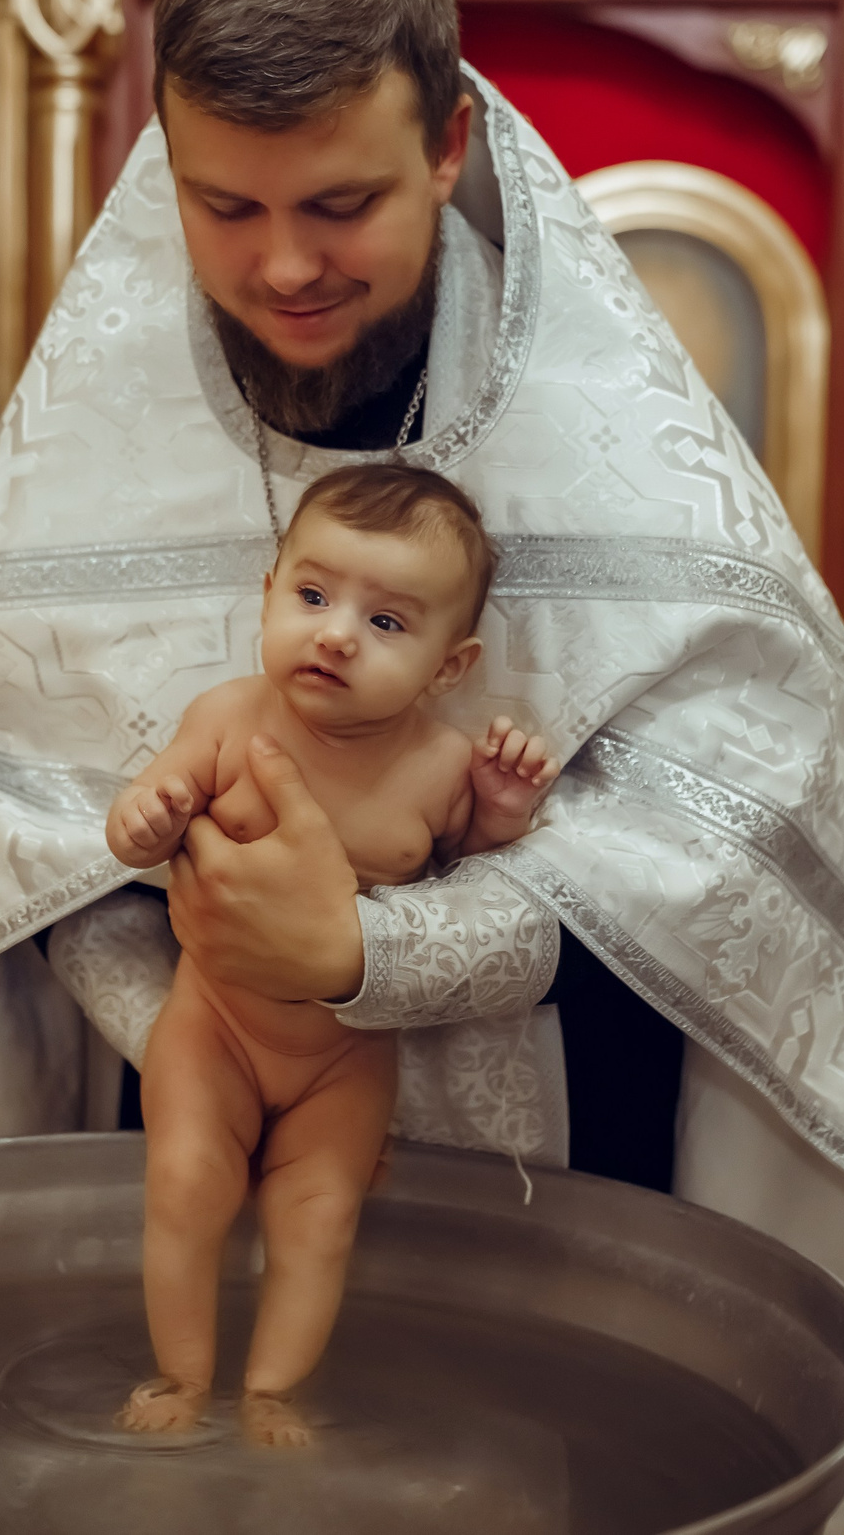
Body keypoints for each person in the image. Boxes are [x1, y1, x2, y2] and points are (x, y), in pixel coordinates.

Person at [0, 0, 844, 1378]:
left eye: (340, 205)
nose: (282, 270)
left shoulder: (611, 444)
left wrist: (379, 953)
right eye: (224, 206)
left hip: (564, 1198)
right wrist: (203, 984)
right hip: (194, 1139)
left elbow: (743, 836)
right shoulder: (101, 441)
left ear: (448, 146)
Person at [107, 464, 558, 1445]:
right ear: (267, 594)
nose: (337, 633)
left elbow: (468, 887)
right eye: (312, 596)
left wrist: (502, 814)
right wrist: (147, 816)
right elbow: (139, 824)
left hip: (345, 1055)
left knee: (317, 1220)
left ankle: (273, 1390)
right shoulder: (226, 719)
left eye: (387, 623)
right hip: (213, 1027)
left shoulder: (440, 767)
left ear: (449, 666)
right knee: (186, 1182)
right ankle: (180, 1374)